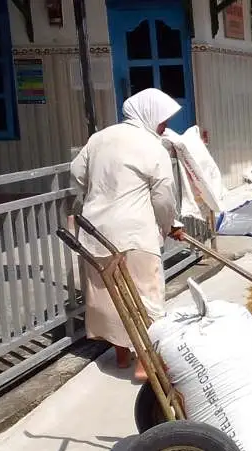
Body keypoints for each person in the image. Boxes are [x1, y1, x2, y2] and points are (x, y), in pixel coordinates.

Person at [70, 88, 186, 381]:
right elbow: (163, 196)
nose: (163, 127)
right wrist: (170, 224)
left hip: (96, 232)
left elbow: (76, 173)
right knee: (147, 297)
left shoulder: (100, 138)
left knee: (111, 297)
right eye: (162, 120)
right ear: (148, 114)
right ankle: (145, 365)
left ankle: (122, 356)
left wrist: (96, 194)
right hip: (134, 235)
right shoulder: (151, 145)